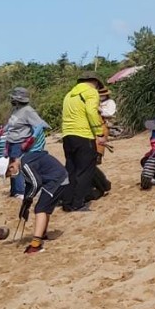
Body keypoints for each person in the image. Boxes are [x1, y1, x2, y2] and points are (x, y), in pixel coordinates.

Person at [0, 150, 69, 255]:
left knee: (40, 209)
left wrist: (29, 199)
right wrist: (25, 204)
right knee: (43, 207)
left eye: (8, 175)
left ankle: (36, 245)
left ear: (11, 167)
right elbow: (29, 184)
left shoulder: (25, 164)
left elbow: (36, 183)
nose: (10, 177)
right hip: (54, 179)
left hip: (58, 179)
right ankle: (42, 233)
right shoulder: (24, 163)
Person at [60, 76, 106, 211]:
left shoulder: (69, 95)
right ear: (95, 83)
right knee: (85, 171)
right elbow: (91, 112)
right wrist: (99, 132)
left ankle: (67, 203)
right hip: (84, 135)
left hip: (68, 135)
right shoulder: (91, 92)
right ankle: (78, 203)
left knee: (71, 170)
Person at [1, 87, 49, 199]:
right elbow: (11, 124)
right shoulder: (16, 110)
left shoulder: (28, 111)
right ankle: (14, 190)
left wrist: (31, 139)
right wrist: (3, 130)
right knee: (12, 166)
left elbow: (41, 124)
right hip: (12, 142)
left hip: (20, 143)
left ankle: (21, 191)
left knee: (18, 166)